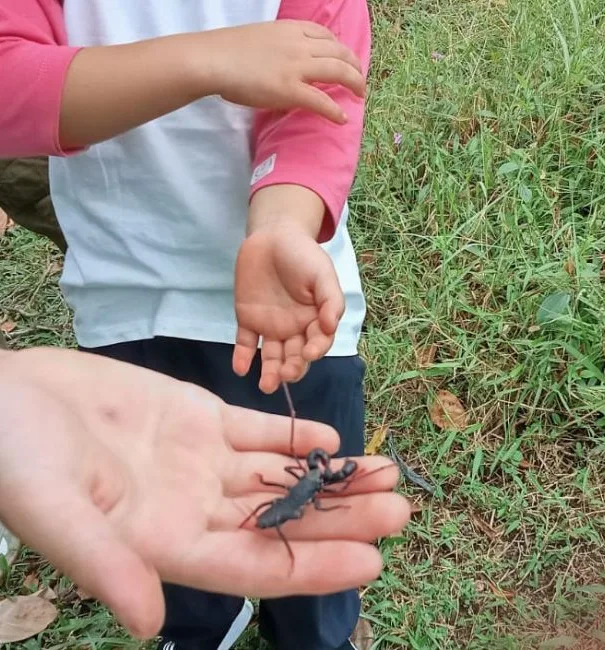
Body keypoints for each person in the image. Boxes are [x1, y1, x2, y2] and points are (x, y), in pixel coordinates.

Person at [0, 1, 377, 649]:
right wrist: (207, 60)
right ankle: (202, 627)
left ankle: (316, 636)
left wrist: (282, 227)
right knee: (168, 508)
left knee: (317, 516)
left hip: (289, 306)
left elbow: (322, 105)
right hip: (124, 298)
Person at [0, 345, 409, 642]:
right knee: (293, 510)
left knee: (290, 507)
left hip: (283, 502)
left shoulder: (305, 478)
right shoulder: (310, 482)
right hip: (282, 504)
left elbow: (301, 484)